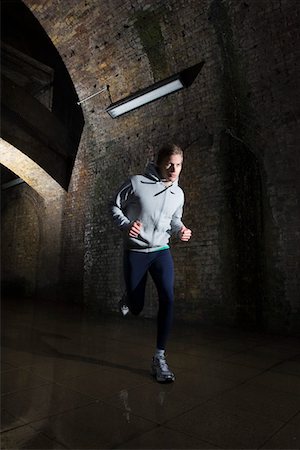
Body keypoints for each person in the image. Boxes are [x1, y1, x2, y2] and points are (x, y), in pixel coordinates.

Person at [110, 143, 192, 383]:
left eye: (178, 165)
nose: (174, 169)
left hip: (161, 251)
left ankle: (159, 357)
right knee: (136, 308)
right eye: (169, 164)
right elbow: (113, 206)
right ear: (158, 162)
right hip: (136, 252)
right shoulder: (136, 183)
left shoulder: (179, 193)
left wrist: (181, 230)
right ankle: (129, 297)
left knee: (168, 297)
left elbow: (175, 220)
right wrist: (126, 225)